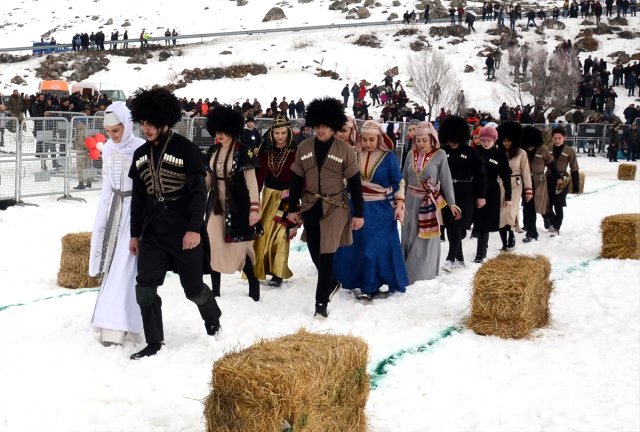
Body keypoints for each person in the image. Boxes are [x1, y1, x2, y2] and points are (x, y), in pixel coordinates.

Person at [127, 88, 222, 359]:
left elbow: (198, 193)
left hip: (183, 230)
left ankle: (213, 318)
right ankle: (154, 342)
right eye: (143, 122)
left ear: (164, 121)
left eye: (151, 123)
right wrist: (135, 235)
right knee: (145, 288)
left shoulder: (186, 149)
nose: (146, 128)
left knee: (193, 289)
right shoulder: (140, 154)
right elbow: (139, 199)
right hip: (153, 231)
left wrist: (194, 229)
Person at [286, 97, 364, 318]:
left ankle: (321, 304)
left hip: (335, 207)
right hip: (310, 205)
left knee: (327, 252)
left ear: (333, 127)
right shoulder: (304, 147)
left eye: (325, 126)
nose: (320, 130)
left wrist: (359, 213)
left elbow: (356, 183)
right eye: (317, 126)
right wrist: (293, 208)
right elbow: (295, 181)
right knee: (313, 250)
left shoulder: (345, 151)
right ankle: (332, 281)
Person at [89, 102, 145, 346]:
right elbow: (106, 184)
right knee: (112, 265)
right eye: (109, 131)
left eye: (117, 130)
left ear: (127, 125)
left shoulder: (141, 147)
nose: (112, 136)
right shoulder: (109, 148)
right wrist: (102, 215)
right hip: (114, 211)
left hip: (135, 212)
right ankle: (110, 321)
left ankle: (125, 322)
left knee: (127, 266)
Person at [334, 120, 408, 300]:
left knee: (373, 248)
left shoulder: (388, 156)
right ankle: (354, 281)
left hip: (381, 210)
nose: (367, 143)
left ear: (379, 138)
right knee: (356, 246)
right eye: (364, 139)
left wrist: (399, 204)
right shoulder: (353, 153)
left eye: (371, 140)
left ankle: (370, 285)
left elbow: (398, 181)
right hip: (356, 207)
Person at [204, 106, 263, 302]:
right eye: (217, 131)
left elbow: (251, 181)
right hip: (215, 205)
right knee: (213, 244)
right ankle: (215, 291)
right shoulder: (213, 150)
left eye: (224, 131)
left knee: (239, 248)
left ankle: (253, 284)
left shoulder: (243, 151)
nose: (220, 135)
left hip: (238, 206)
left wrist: (255, 207)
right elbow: (207, 178)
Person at [402, 121, 459, 282]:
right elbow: (403, 180)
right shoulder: (410, 154)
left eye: (424, 140)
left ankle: (421, 275)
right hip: (409, 200)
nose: (421, 144)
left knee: (424, 237)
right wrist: (399, 200)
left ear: (432, 138)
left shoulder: (440, 155)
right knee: (408, 235)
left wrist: (452, 203)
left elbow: (446, 180)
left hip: (428, 202)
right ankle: (404, 272)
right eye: (418, 140)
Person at [253, 116, 298, 287]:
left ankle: (278, 272)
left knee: (281, 235)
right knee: (263, 233)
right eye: (276, 133)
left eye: (283, 133)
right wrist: (254, 197)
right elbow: (259, 175)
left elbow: (301, 176)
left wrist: (294, 193)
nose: (280, 136)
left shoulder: (296, 151)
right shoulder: (265, 150)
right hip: (268, 196)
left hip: (287, 197)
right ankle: (263, 267)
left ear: (289, 133)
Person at [440, 115, 487, 271]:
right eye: (450, 138)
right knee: (449, 226)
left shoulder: (471, 152)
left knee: (457, 224)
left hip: (465, 192)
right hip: (445, 192)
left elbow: (481, 174)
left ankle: (450, 258)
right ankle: (459, 259)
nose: (452, 142)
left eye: (455, 138)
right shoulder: (442, 152)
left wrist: (481, 195)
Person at [472, 126, 510, 263]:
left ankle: (480, 254)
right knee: (477, 222)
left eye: (489, 140)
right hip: (475, 190)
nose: (486, 143)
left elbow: (506, 177)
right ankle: (482, 246)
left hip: (492, 191)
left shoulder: (500, 155)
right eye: (483, 140)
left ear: (494, 140)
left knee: (484, 223)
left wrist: (509, 197)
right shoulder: (475, 153)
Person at [497, 121, 532, 250]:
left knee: (510, 211)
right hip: (500, 184)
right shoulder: (498, 152)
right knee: (501, 212)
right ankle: (504, 242)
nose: (506, 143)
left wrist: (528, 189)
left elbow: (526, 171)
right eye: (504, 140)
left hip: (515, 184)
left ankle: (511, 233)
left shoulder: (521, 153)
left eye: (509, 140)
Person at [521, 125, 557, 243]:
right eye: (527, 145)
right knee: (529, 207)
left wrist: (557, 177)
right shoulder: (522, 150)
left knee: (541, 205)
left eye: (532, 145)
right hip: (526, 182)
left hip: (540, 182)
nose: (530, 147)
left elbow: (551, 165)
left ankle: (547, 217)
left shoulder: (543, 149)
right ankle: (532, 232)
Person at [544, 127, 580, 237]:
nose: (557, 140)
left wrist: (576, 185)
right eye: (555, 138)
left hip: (563, 180)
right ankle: (553, 222)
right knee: (547, 205)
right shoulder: (547, 148)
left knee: (558, 205)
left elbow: (574, 168)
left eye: (559, 138)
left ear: (564, 138)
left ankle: (556, 227)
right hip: (549, 178)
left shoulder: (569, 150)